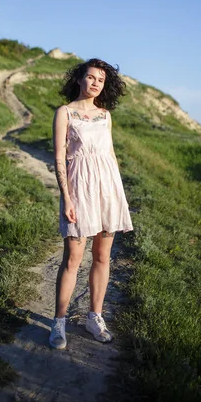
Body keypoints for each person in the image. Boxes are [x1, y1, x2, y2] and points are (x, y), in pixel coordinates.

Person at [49, 58, 134, 349]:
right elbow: (60, 157)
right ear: (79, 79)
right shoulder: (65, 112)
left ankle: (94, 317)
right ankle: (58, 322)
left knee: (102, 256)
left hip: (107, 189)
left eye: (101, 79)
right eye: (91, 77)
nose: (96, 83)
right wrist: (67, 197)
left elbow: (109, 155)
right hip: (79, 189)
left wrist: (117, 194)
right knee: (73, 258)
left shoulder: (105, 115)